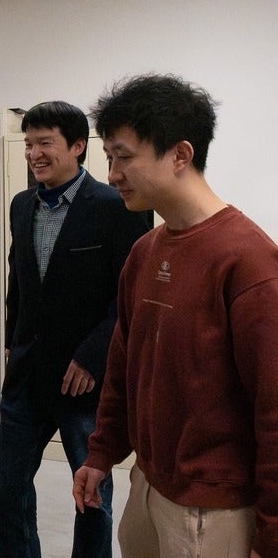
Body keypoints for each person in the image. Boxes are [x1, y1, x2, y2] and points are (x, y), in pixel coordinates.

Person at [72, 74, 278, 558]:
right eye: (109, 158)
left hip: (214, 508)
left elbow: (274, 410)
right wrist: (101, 453)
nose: (112, 174)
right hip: (147, 485)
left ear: (180, 155)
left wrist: (271, 535)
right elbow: (125, 365)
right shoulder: (145, 251)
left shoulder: (248, 261)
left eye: (124, 157)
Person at [0, 101, 151, 557]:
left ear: (78, 146)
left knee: (91, 499)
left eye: (45, 143)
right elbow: (19, 284)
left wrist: (93, 357)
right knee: (7, 496)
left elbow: (129, 296)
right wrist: (12, 342)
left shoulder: (115, 206)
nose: (33, 153)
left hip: (85, 382)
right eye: (29, 144)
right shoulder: (22, 205)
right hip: (27, 377)